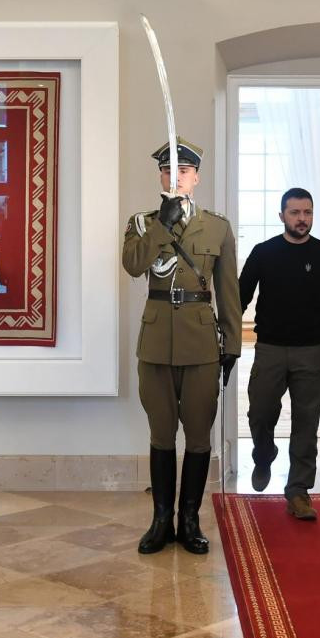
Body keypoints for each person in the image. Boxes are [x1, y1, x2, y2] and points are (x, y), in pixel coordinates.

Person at [122, 137, 241, 555]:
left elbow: (228, 292)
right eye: (169, 170)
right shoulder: (142, 222)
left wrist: (233, 346)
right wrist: (162, 224)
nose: (177, 176)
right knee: (160, 434)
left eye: (185, 171)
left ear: (197, 178)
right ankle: (160, 522)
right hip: (155, 342)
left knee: (197, 435)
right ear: (161, 176)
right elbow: (134, 266)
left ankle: (189, 520)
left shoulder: (217, 226)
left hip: (201, 343)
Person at [239, 188, 320, 520]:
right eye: (295, 212)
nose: (302, 219)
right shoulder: (263, 253)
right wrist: (223, 335)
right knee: (259, 412)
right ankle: (264, 452)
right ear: (282, 215)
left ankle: (298, 491)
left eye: (307, 213)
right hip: (269, 349)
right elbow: (239, 298)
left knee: (306, 423)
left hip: (310, 351)